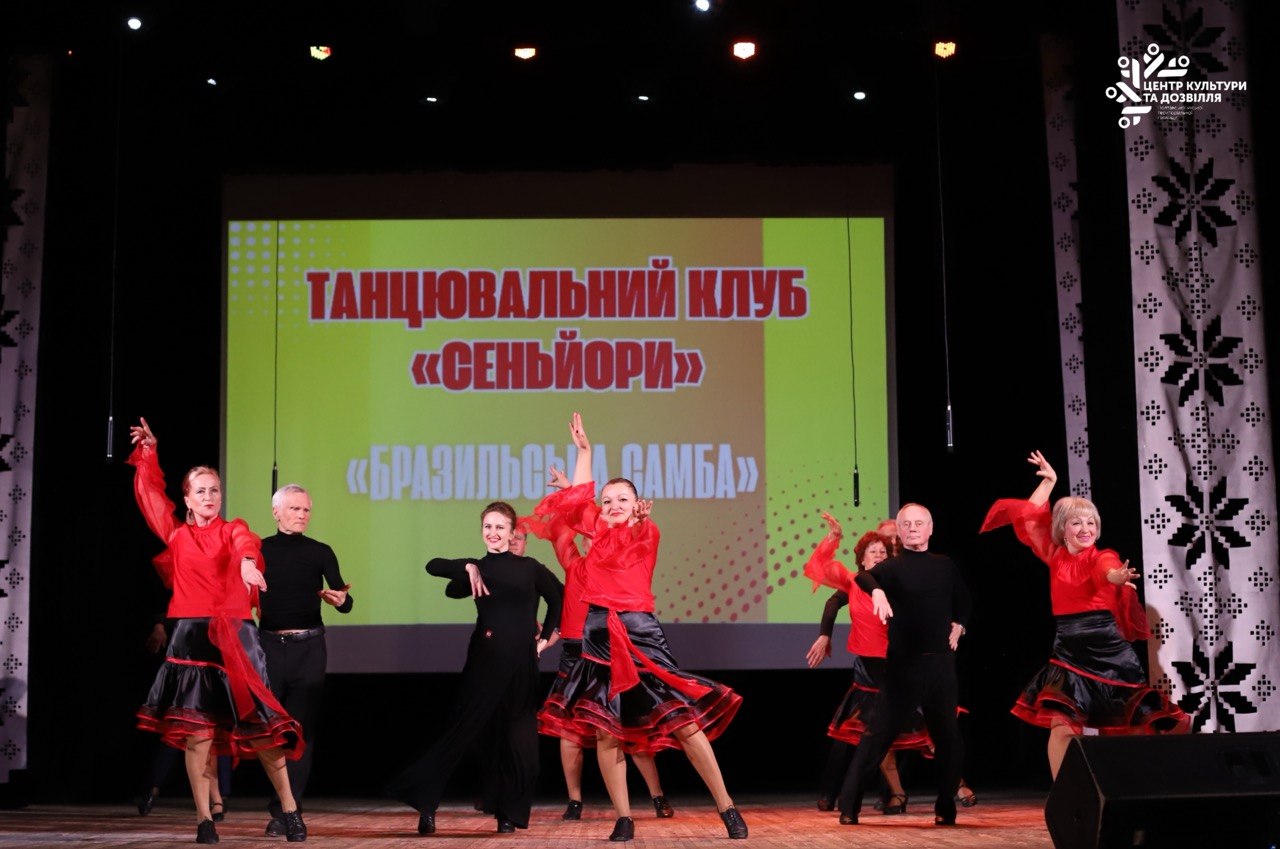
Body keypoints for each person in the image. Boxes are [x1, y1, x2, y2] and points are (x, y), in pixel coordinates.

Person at [525, 413, 747, 842]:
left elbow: (638, 533)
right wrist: (585, 452)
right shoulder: (596, 529)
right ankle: (624, 817)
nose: (613, 505)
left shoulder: (648, 531)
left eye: (622, 499)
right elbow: (580, 499)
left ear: (637, 504)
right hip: (598, 637)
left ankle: (728, 808)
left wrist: (640, 521)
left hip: (641, 635)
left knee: (683, 724)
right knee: (606, 731)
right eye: (608, 500)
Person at [127, 418, 306, 844]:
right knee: (198, 736)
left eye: (215, 490)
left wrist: (246, 564)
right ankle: (204, 819)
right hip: (192, 639)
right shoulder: (177, 534)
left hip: (236, 638)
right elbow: (150, 496)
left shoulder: (233, 529)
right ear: (187, 499)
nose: (209, 497)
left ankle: (291, 810)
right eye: (201, 491)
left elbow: (247, 545)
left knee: (262, 731)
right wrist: (148, 453)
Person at [979, 451, 1189, 779]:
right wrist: (1050, 482)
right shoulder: (1055, 555)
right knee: (1062, 727)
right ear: (1062, 529)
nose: (1085, 528)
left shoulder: (1102, 556)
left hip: (1110, 655)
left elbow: (1108, 570)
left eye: (1091, 522)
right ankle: (1064, 793)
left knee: (1123, 729)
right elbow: (1031, 516)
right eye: (1077, 522)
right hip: (1069, 653)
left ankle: (1127, 789)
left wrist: (1117, 577)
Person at [386, 501, 563, 835]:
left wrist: (543, 641)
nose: (493, 533)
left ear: (512, 533)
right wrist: (467, 566)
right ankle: (426, 804)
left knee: (521, 747)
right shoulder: (478, 567)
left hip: (522, 666)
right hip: (485, 661)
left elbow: (558, 599)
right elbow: (433, 566)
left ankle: (508, 812)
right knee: (461, 734)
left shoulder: (530, 568)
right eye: (488, 527)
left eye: (500, 527)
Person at [523, 467, 675, 823]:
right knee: (570, 731)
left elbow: (608, 521)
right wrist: (570, 489)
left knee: (629, 731)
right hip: (576, 652)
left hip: (610, 651)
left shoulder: (620, 551)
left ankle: (657, 795)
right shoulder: (574, 564)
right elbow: (577, 514)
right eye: (589, 533)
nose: (595, 536)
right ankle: (575, 800)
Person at [835, 503, 970, 827]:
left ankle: (945, 807)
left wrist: (960, 624)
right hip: (903, 668)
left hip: (940, 667)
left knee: (949, 738)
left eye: (919, 523)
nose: (913, 528)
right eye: (906, 524)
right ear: (900, 530)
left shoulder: (944, 565)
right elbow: (863, 576)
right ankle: (849, 806)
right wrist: (878, 592)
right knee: (877, 737)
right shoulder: (892, 567)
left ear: (930, 529)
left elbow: (964, 598)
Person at [258, 484, 354, 836]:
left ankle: (288, 810)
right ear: (276, 512)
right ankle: (283, 805)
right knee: (272, 732)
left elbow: (345, 599)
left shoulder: (320, 551)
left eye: (306, 510)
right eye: (294, 509)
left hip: (309, 648)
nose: (301, 515)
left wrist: (340, 600)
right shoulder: (259, 550)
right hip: (268, 647)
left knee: (302, 731)